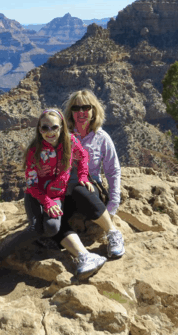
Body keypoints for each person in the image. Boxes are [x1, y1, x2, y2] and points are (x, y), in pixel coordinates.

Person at [0, 108, 107, 282]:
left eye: (54, 127)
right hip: (36, 195)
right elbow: (32, 185)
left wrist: (83, 176)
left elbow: (83, 156)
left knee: (52, 228)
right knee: (35, 229)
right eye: (44, 128)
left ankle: (82, 255)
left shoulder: (70, 142)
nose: (49, 132)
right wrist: (47, 202)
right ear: (39, 129)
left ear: (62, 127)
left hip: (57, 196)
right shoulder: (35, 151)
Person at [56, 89, 125, 259]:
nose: (81, 112)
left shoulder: (102, 138)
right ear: (70, 112)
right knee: (53, 219)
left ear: (94, 111)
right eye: (76, 108)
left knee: (81, 185)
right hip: (66, 191)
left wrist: (113, 204)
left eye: (85, 107)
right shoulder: (63, 137)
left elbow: (112, 171)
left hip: (91, 189)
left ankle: (112, 233)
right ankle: (83, 255)